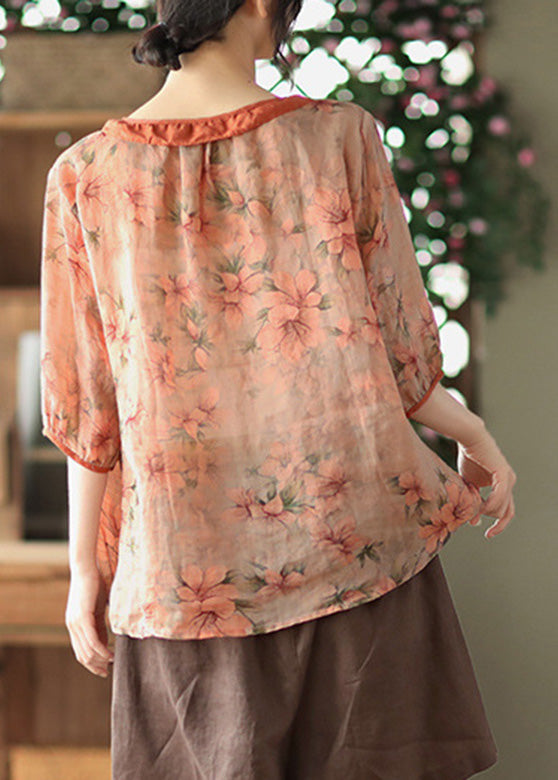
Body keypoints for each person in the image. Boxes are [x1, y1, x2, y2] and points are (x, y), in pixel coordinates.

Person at [39, 1, 516, 778]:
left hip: (184, 574)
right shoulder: (338, 137)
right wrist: (475, 436)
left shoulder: (85, 177)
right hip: (357, 553)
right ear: (263, 5)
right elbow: (400, 353)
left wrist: (85, 573)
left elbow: (87, 404)